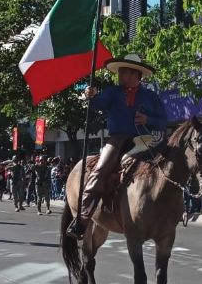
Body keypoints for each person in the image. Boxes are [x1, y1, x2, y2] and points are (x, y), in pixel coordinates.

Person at [66, 54, 167, 239]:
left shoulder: (151, 97)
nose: (119, 75)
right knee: (101, 170)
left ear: (135, 74)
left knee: (169, 166)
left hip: (144, 140)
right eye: (119, 71)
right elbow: (99, 103)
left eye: (123, 72)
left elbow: (163, 121)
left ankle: (169, 212)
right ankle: (82, 218)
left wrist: (148, 120)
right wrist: (91, 96)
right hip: (118, 140)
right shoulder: (112, 92)